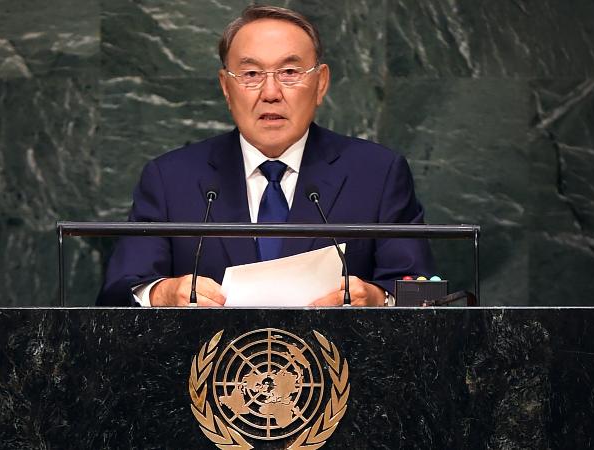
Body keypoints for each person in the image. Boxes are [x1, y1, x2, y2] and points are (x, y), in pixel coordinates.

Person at [96, 5, 434, 307]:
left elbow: (421, 292)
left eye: (289, 73)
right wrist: (162, 294)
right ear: (226, 88)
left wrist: (377, 298)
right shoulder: (170, 179)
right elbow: (118, 293)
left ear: (321, 83)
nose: (271, 93)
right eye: (251, 74)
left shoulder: (377, 174)